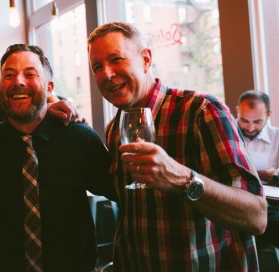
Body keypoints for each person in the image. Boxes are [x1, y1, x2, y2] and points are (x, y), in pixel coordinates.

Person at [87, 22, 267, 271]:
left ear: (146, 59)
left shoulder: (201, 111)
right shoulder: (114, 129)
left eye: (116, 59)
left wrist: (184, 180)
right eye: (97, 67)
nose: (106, 73)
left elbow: (256, 216)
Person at [0, 44, 113, 271]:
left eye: (30, 74)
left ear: (49, 86)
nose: (18, 82)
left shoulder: (80, 139)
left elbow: (119, 191)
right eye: (9, 75)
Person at [236, 90, 279, 248]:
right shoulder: (227, 134)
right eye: (244, 120)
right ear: (237, 111)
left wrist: (275, 175)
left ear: (269, 115)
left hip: (270, 203)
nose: (250, 127)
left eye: (257, 121)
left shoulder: (277, 137)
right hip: (238, 201)